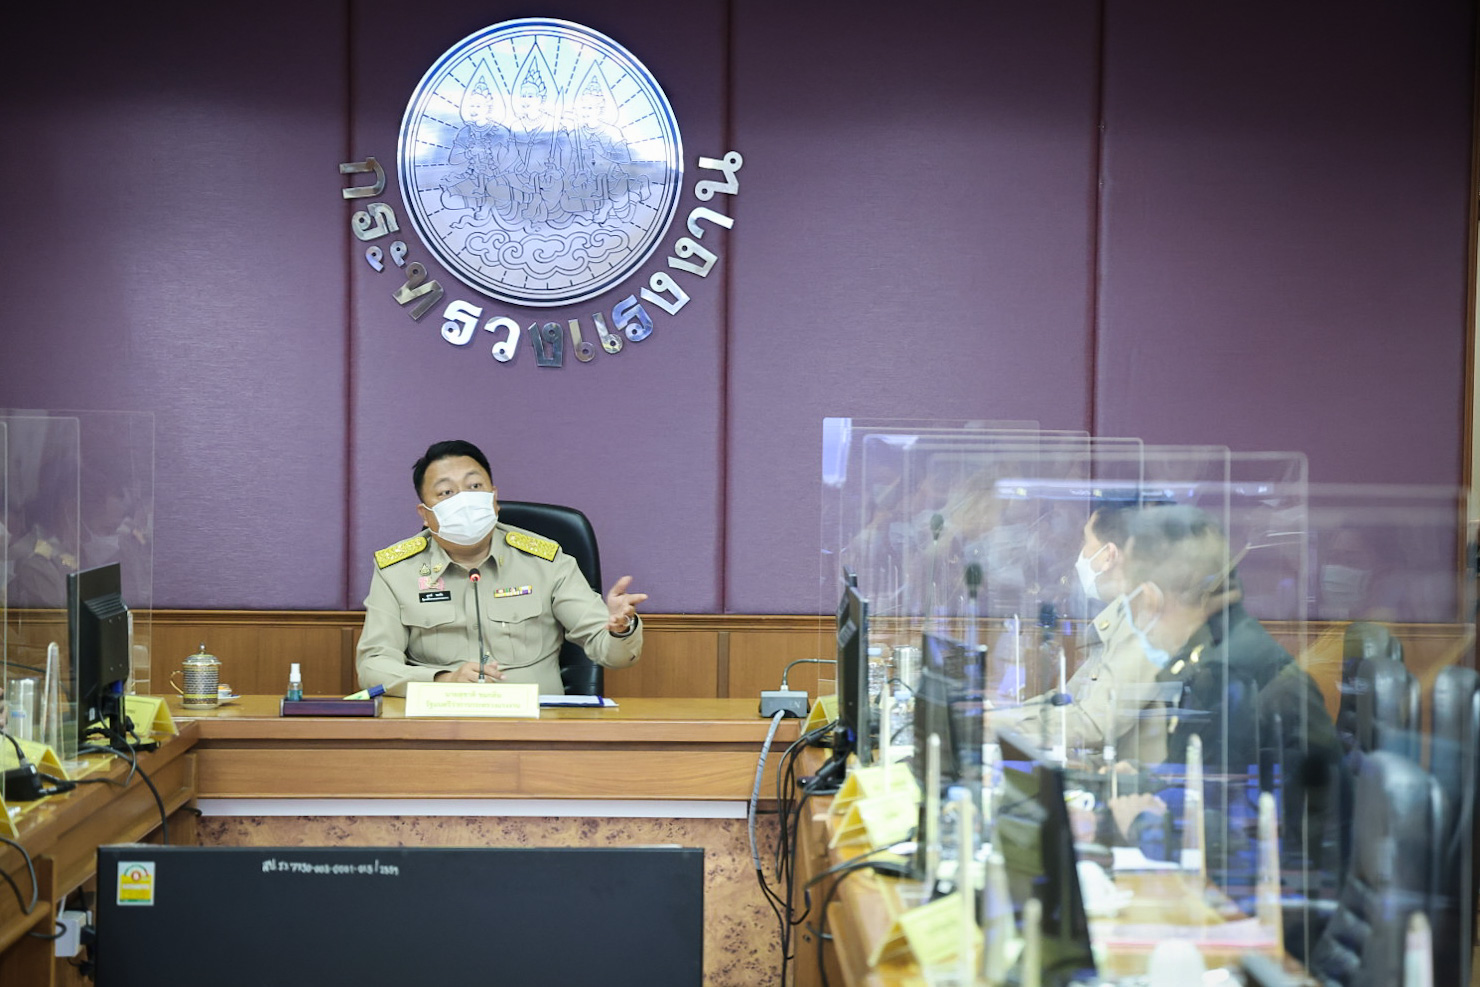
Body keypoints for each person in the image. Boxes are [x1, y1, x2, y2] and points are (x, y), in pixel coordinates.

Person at [356, 440, 645, 696]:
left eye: (474, 486)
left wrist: (620, 630)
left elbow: (614, 655)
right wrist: (443, 680)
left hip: (537, 724)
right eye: (446, 492)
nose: (464, 500)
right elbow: (373, 667)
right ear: (425, 514)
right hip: (441, 723)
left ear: (493, 498)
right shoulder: (397, 571)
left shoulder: (545, 561)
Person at [989, 500, 1171, 765]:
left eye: (1087, 542)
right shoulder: (1122, 615)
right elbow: (1068, 699)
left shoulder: (1142, 622)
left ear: (1109, 555)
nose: (1080, 555)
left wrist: (997, 723)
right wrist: (1001, 716)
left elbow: (1094, 724)